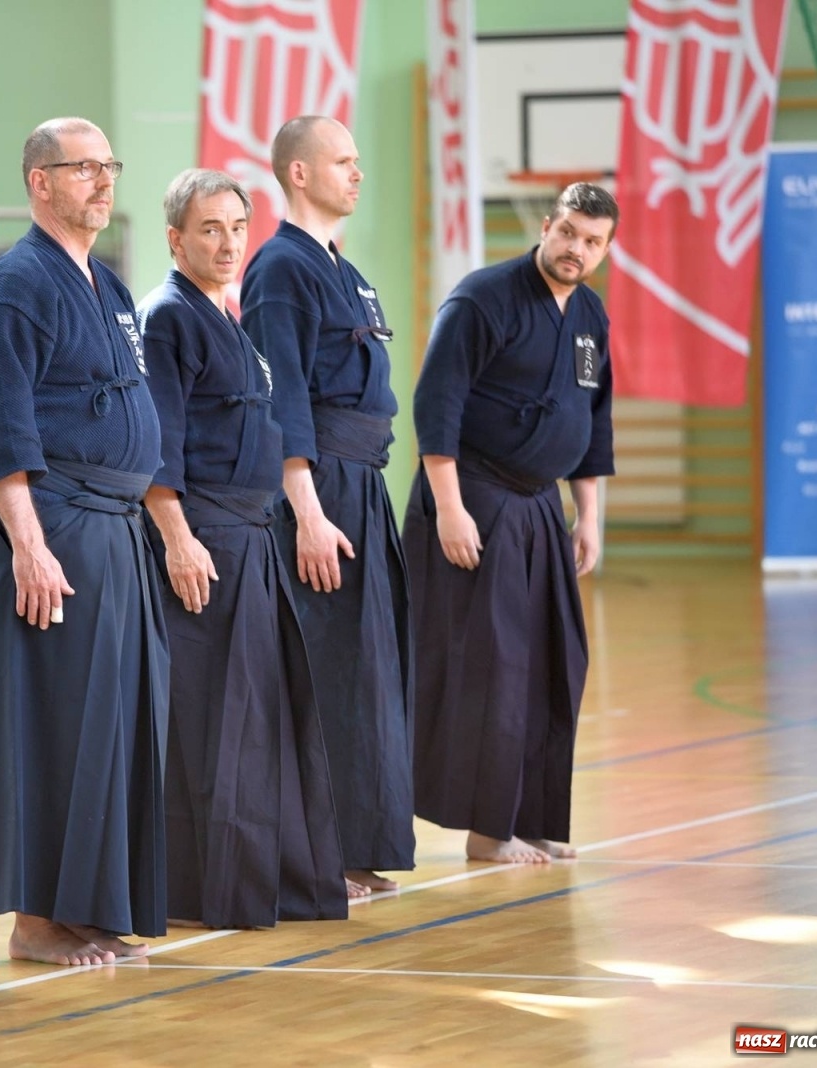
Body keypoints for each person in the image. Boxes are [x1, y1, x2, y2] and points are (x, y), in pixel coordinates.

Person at [0, 117, 167, 965]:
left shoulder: (107, 285)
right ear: (40, 183)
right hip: (55, 528)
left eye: (108, 165)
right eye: (84, 168)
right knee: (52, 724)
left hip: (116, 528)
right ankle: (38, 920)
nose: (104, 180)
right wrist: (29, 545)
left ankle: (90, 906)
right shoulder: (14, 287)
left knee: (112, 727)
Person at [138, 168, 346, 929]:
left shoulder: (230, 318)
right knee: (209, 724)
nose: (227, 245)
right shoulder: (168, 318)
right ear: (175, 240)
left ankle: (261, 880)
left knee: (258, 721)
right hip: (205, 542)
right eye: (209, 230)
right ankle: (202, 891)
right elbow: (158, 447)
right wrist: (178, 540)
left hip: (252, 542)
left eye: (235, 229)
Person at [405, 182, 618, 864]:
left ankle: (531, 819)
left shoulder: (588, 317)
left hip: (540, 508)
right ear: (547, 226)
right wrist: (449, 509)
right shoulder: (483, 298)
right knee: (494, 668)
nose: (576, 249)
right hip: (474, 496)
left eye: (592, 242)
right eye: (569, 233)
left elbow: (593, 421)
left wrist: (588, 517)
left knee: (557, 662)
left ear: (604, 251)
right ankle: (487, 830)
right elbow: (437, 405)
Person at [239, 115, 414, 895]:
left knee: (366, 672)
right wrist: (307, 513)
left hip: (363, 487)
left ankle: (352, 845)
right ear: (299, 173)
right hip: (319, 493)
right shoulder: (280, 269)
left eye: (358, 159)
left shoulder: (347, 272)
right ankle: (313, 853)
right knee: (325, 671)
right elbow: (283, 401)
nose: (358, 172)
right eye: (343, 160)